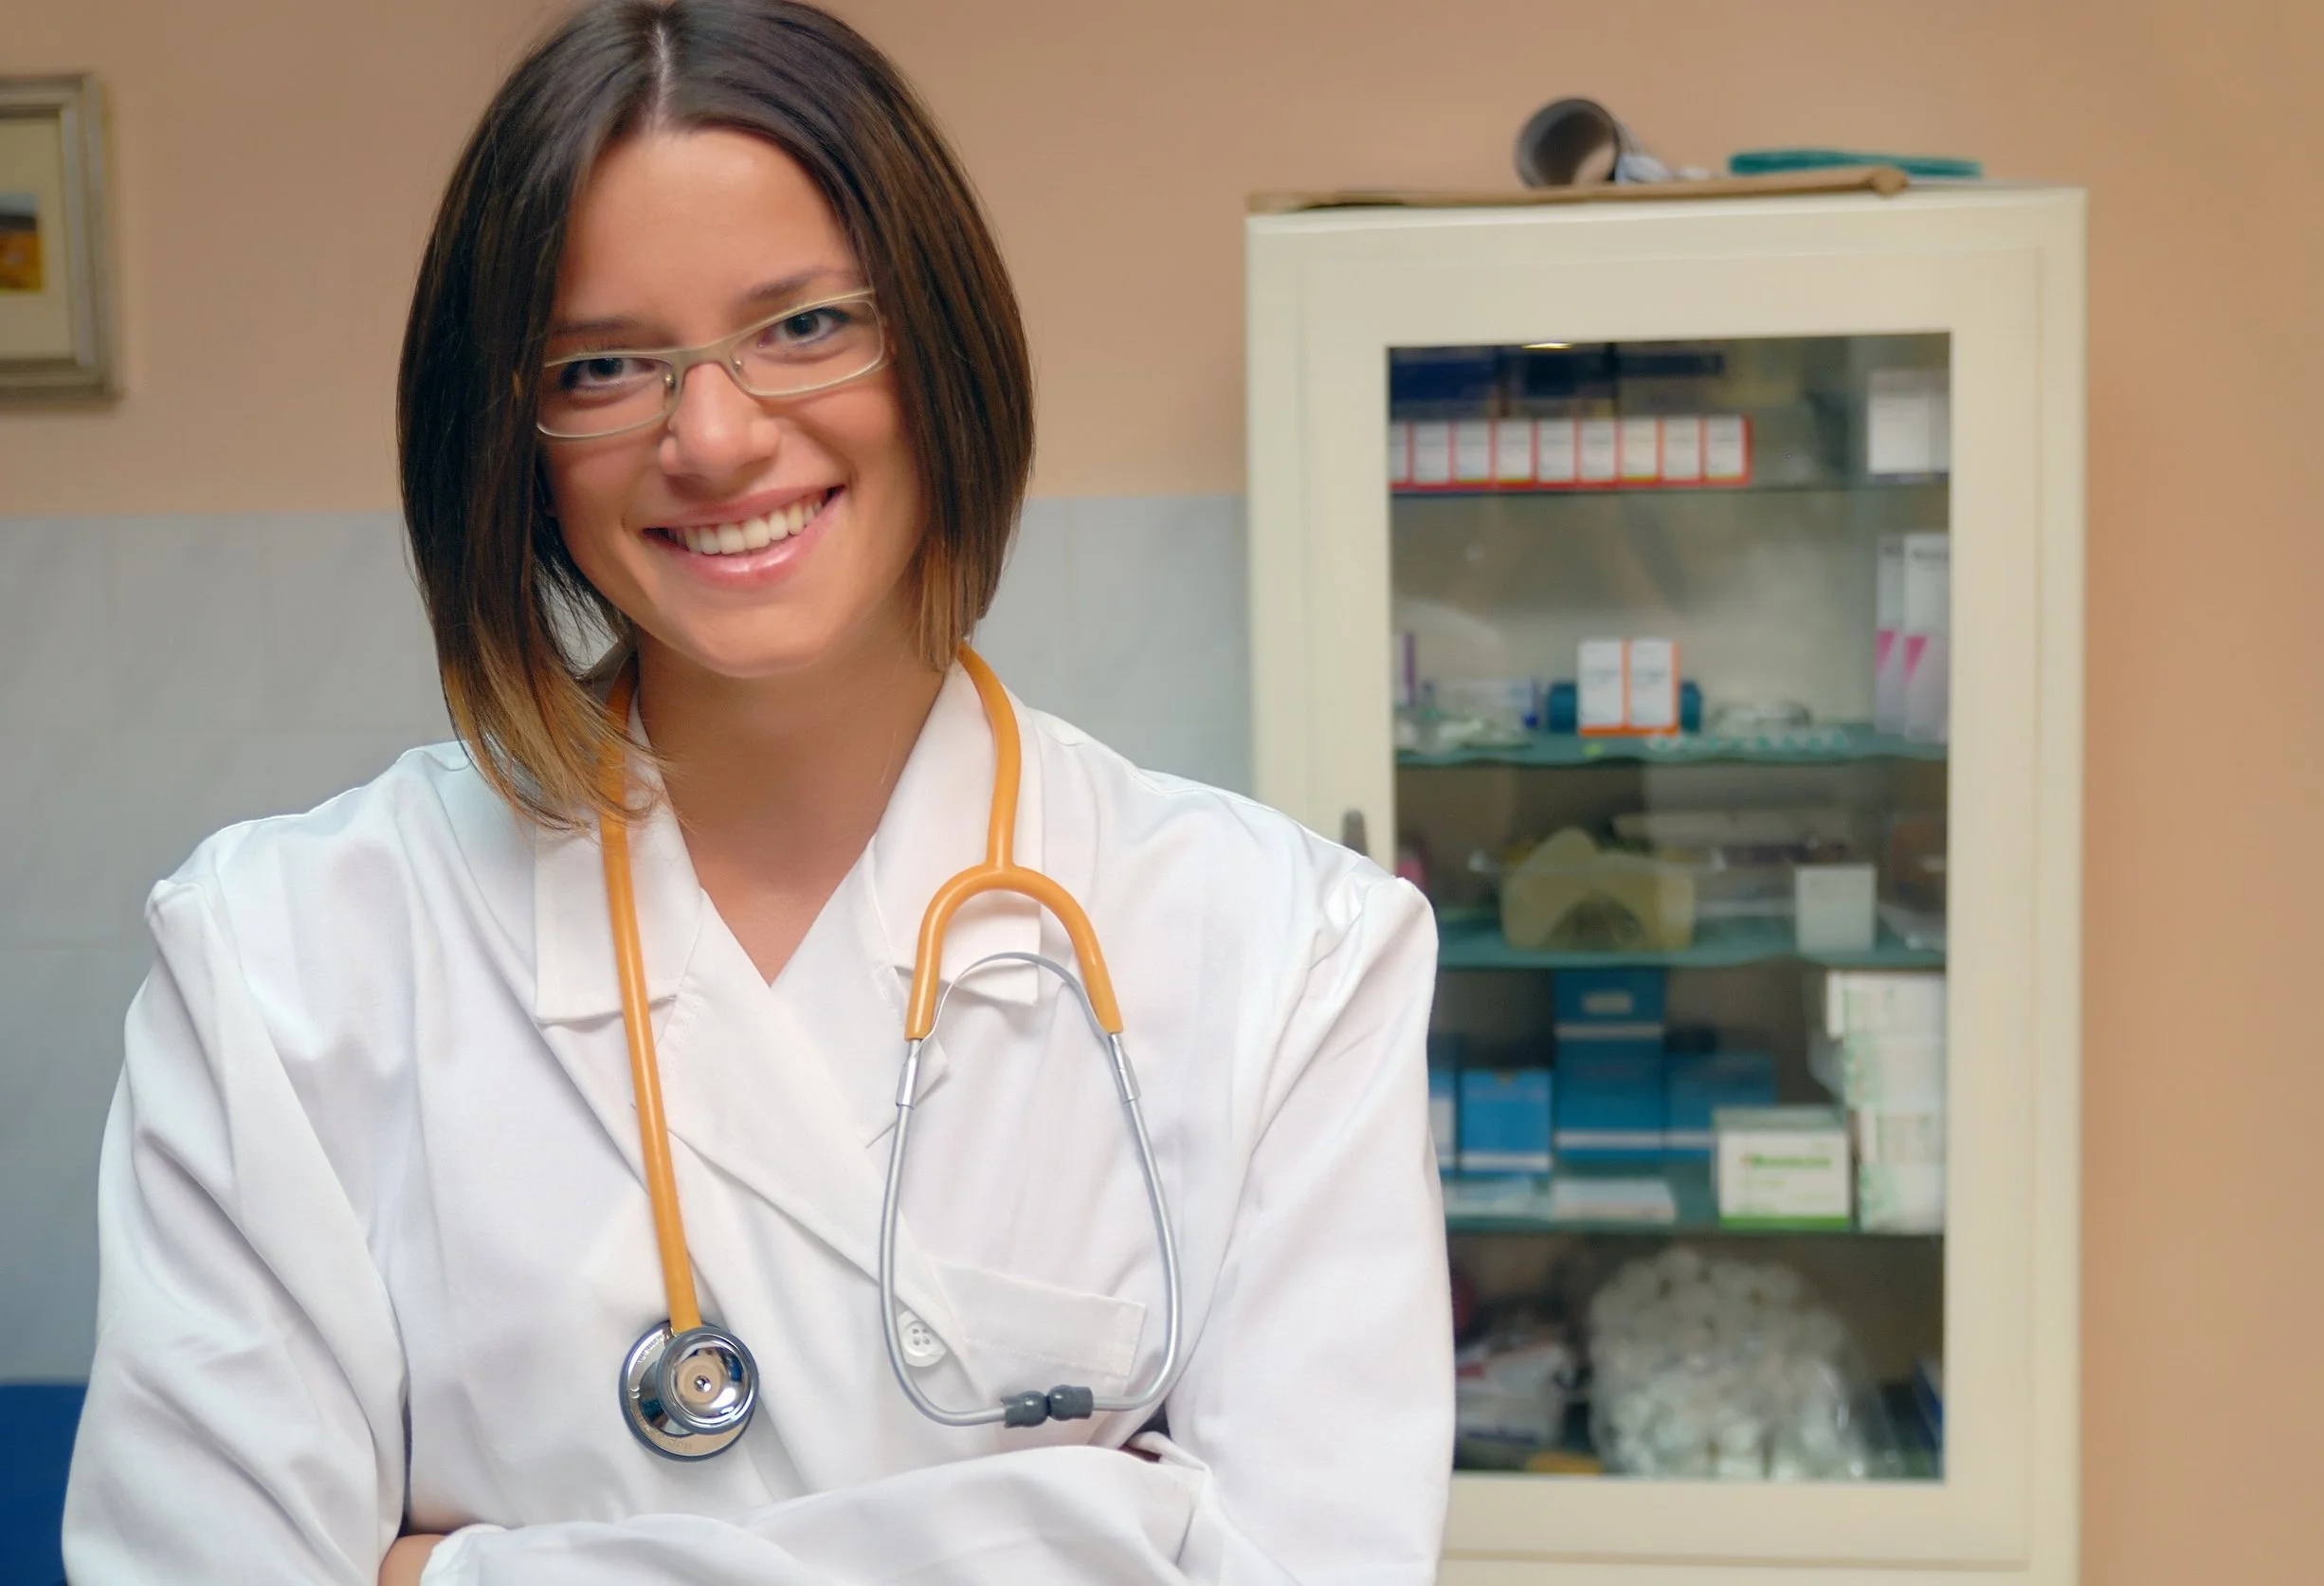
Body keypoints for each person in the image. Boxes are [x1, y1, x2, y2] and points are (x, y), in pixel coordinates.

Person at [61, 2, 1451, 1581]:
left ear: (943, 340)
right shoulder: (283, 961)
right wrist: (1104, 1529)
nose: (712, 437)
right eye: (602, 364)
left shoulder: (1291, 954)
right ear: (512, 434)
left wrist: (448, 1572)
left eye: (803, 326)